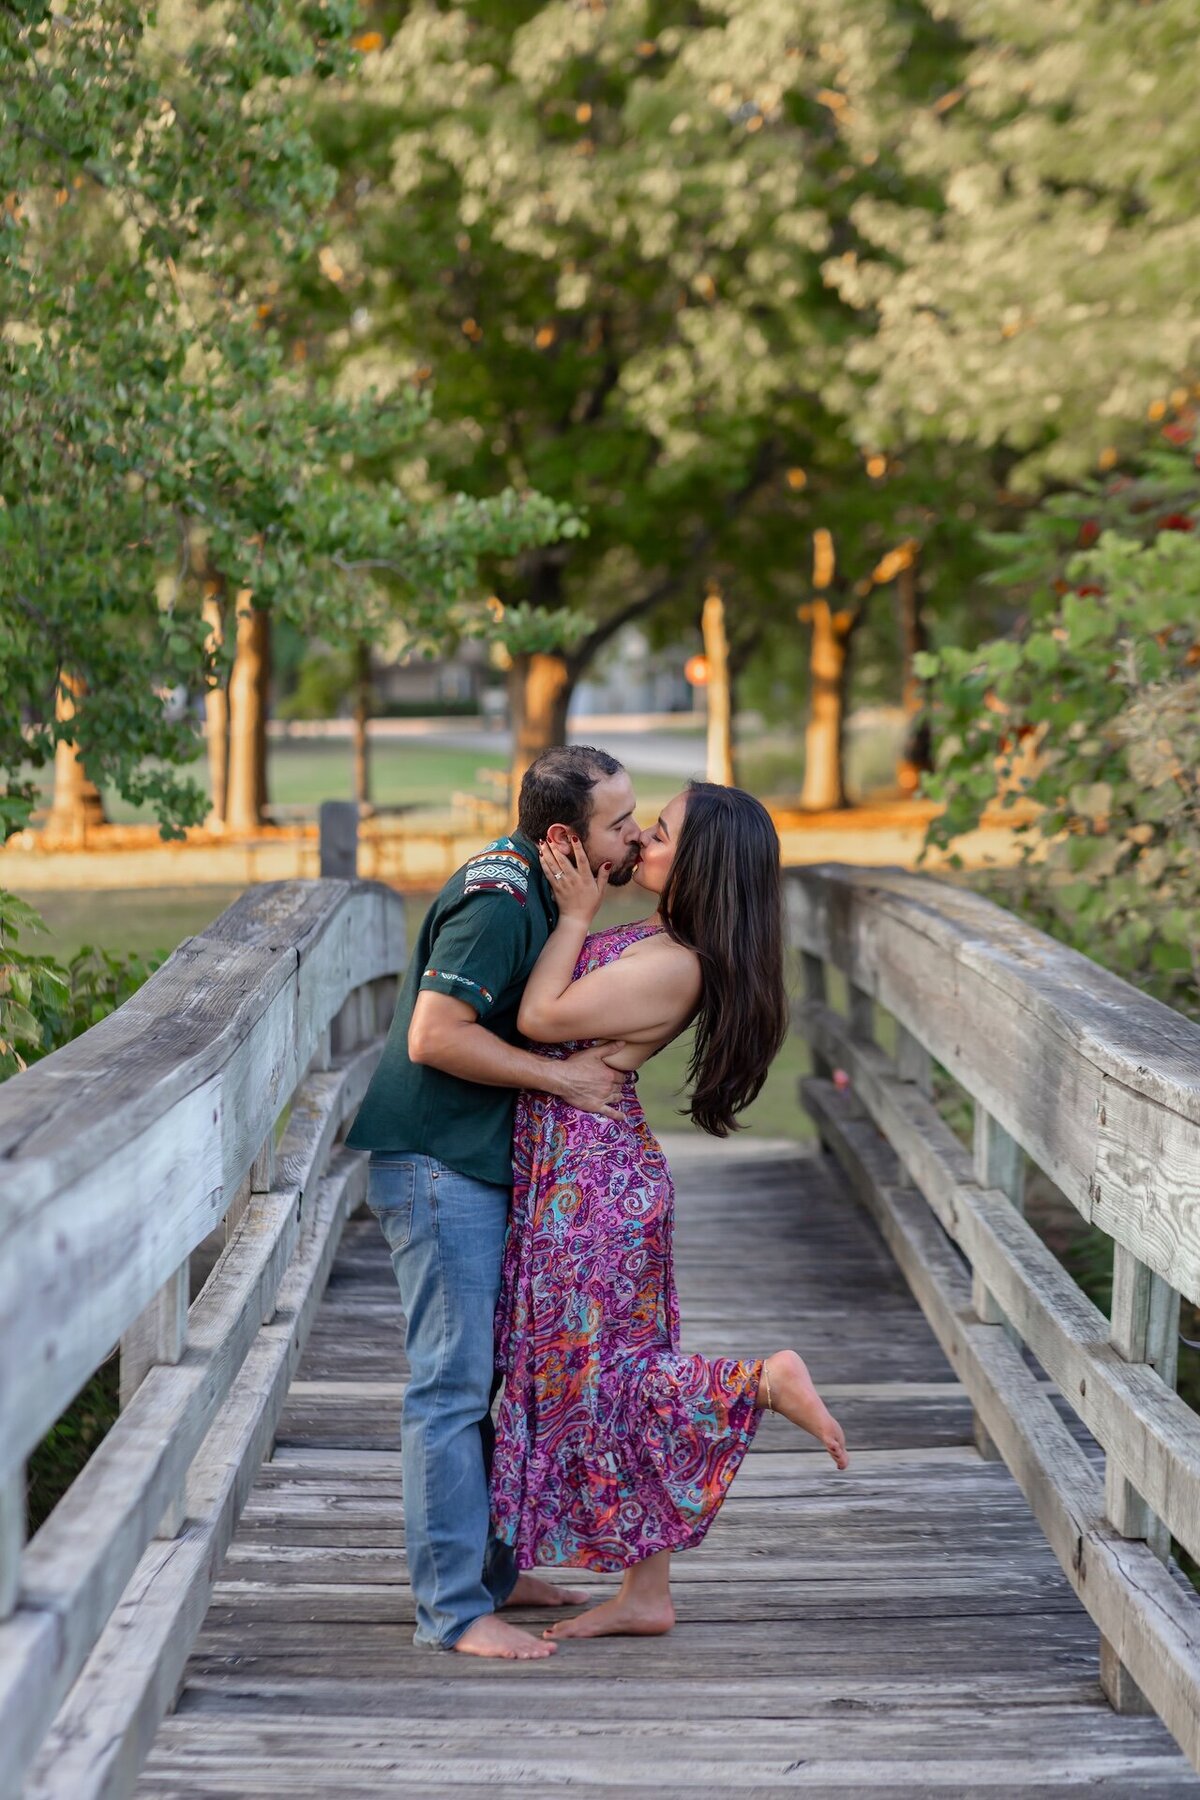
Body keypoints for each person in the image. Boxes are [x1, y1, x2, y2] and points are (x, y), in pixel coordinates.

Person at [490, 781, 849, 1641]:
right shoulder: (662, 936)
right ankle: (644, 1593)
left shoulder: (673, 963)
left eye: (659, 833)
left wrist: (574, 913)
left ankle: (760, 1381)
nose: (642, 841)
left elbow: (540, 1018)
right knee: (604, 1378)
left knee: (604, 1381)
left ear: (704, 864)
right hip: (586, 1177)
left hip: (593, 1189)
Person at [345, 746, 644, 1660]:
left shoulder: (539, 888)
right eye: (621, 825)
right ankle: (451, 1612)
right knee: (451, 1389)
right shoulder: (502, 901)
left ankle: (492, 1573)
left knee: (492, 1382)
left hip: (472, 1166)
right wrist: (558, 1085)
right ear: (565, 837)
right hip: (437, 1168)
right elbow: (435, 1035)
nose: (635, 837)